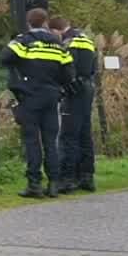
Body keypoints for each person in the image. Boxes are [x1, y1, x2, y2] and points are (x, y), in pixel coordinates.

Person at [0, 7, 73, 198]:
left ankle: (34, 184)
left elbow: (5, 57)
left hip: (30, 97)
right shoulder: (57, 44)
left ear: (29, 23)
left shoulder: (24, 41)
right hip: (51, 97)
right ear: (46, 23)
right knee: (51, 141)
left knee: (32, 141)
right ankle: (54, 184)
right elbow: (69, 74)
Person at [49, 16, 99, 193]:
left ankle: (67, 179)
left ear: (57, 30)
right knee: (85, 135)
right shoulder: (86, 39)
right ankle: (87, 177)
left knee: (68, 136)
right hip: (88, 88)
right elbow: (93, 67)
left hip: (74, 91)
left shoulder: (68, 43)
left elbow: (66, 68)